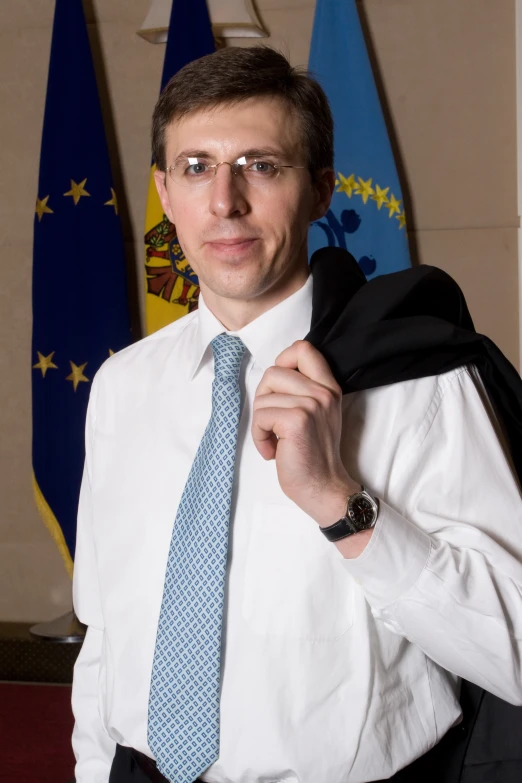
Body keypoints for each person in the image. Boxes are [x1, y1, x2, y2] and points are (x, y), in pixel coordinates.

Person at [71, 46, 522, 783]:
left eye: (261, 165)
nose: (225, 202)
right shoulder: (123, 387)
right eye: (196, 168)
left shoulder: (419, 379)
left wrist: (340, 503)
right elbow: (107, 637)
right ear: (164, 191)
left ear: (319, 190)